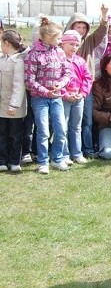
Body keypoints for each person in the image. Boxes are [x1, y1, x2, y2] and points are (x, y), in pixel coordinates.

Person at [25, 16, 71, 174]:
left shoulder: (59, 52)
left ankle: (57, 158)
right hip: (40, 99)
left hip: (57, 98)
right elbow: (29, 80)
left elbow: (67, 73)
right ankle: (43, 161)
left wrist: (60, 85)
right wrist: (46, 91)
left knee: (61, 129)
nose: (60, 41)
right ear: (50, 37)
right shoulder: (33, 54)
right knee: (43, 130)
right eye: (58, 38)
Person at [65, 5, 109, 159]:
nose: (81, 30)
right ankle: (68, 151)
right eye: (78, 26)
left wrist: (104, 15)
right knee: (66, 122)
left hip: (85, 87)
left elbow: (102, 32)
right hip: (67, 88)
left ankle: (87, 149)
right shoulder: (63, 43)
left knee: (87, 121)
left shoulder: (89, 41)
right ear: (71, 26)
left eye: (84, 27)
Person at [60, 30, 92, 166]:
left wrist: (83, 93)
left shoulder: (80, 61)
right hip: (64, 98)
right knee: (63, 127)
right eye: (71, 44)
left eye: (77, 45)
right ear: (63, 44)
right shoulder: (59, 60)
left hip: (79, 98)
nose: (74, 47)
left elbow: (87, 78)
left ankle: (77, 153)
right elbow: (55, 79)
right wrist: (65, 94)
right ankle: (64, 154)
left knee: (76, 127)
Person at [0, 30, 28, 173]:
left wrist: (14, 104)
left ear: (6, 43)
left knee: (15, 135)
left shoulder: (18, 61)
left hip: (14, 107)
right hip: (1, 106)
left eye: (1, 43)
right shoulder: (2, 59)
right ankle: (3, 161)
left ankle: (15, 161)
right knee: (2, 134)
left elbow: (19, 85)